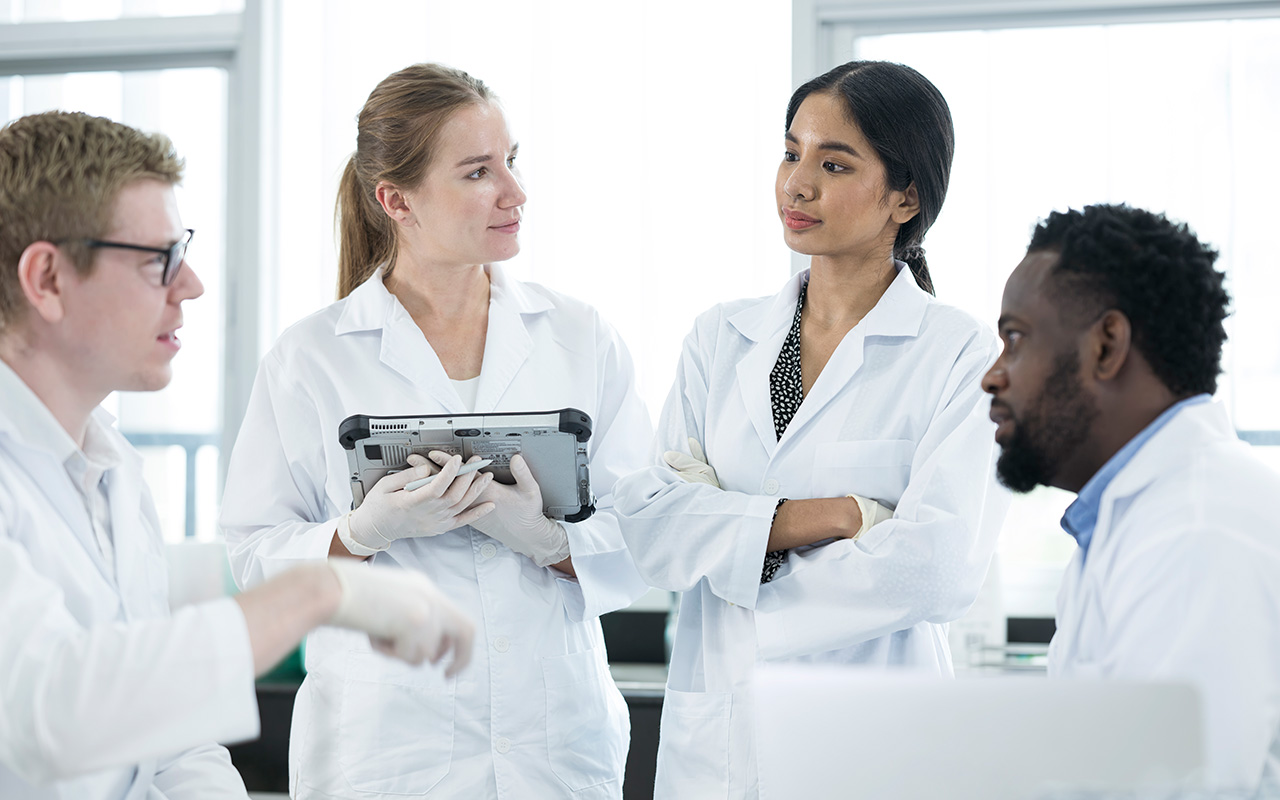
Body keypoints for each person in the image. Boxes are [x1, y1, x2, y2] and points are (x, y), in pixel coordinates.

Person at [0, 111, 475, 800]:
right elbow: (48, 710)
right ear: (46, 278)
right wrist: (322, 588)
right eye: (157, 258)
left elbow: (168, 733)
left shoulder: (114, 472)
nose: (189, 284)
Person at [219, 63, 653, 799]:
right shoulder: (313, 357)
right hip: (384, 748)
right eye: (479, 172)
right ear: (397, 200)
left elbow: (647, 529)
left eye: (512, 162)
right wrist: (359, 534)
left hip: (553, 742)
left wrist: (553, 542)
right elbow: (253, 557)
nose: (515, 193)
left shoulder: (581, 338)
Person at [614, 60, 1009, 798]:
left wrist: (731, 543)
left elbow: (935, 570)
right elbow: (651, 528)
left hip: (872, 752)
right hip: (721, 752)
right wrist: (837, 518)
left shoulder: (958, 353)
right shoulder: (720, 338)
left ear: (907, 195)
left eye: (834, 163)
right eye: (791, 152)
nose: (797, 184)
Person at [982, 203, 1280, 794]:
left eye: (1015, 339)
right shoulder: (1130, 522)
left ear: (1106, 346)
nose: (993, 376)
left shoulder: (1195, 535)